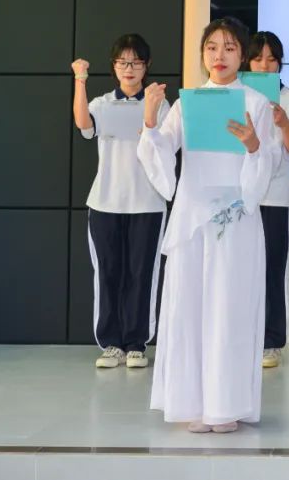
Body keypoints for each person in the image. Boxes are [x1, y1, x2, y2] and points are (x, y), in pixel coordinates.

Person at [139, 17, 280, 433]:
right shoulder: (188, 103)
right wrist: (149, 119)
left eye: (229, 48)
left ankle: (227, 405)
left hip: (235, 219)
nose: (220, 56)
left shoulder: (256, 103)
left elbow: (266, 161)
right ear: (203, 54)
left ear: (242, 55)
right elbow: (160, 151)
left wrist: (253, 146)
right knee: (190, 309)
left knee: (229, 310)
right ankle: (194, 403)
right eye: (212, 48)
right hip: (193, 216)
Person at [72, 34, 168, 370]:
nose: (129, 68)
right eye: (123, 62)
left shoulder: (160, 103)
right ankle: (111, 343)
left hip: (148, 203)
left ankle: (137, 343)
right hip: (105, 202)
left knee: (142, 274)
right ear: (114, 66)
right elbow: (83, 124)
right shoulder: (102, 104)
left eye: (136, 62)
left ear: (146, 65)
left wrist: (152, 111)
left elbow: (166, 145)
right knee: (108, 273)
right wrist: (80, 79)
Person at [246, 31, 289, 369]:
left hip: (275, 196)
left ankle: (271, 342)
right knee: (239, 269)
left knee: (273, 269)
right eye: (258, 59)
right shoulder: (236, 96)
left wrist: (284, 124)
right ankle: (242, 338)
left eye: (271, 59)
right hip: (241, 196)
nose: (264, 65)